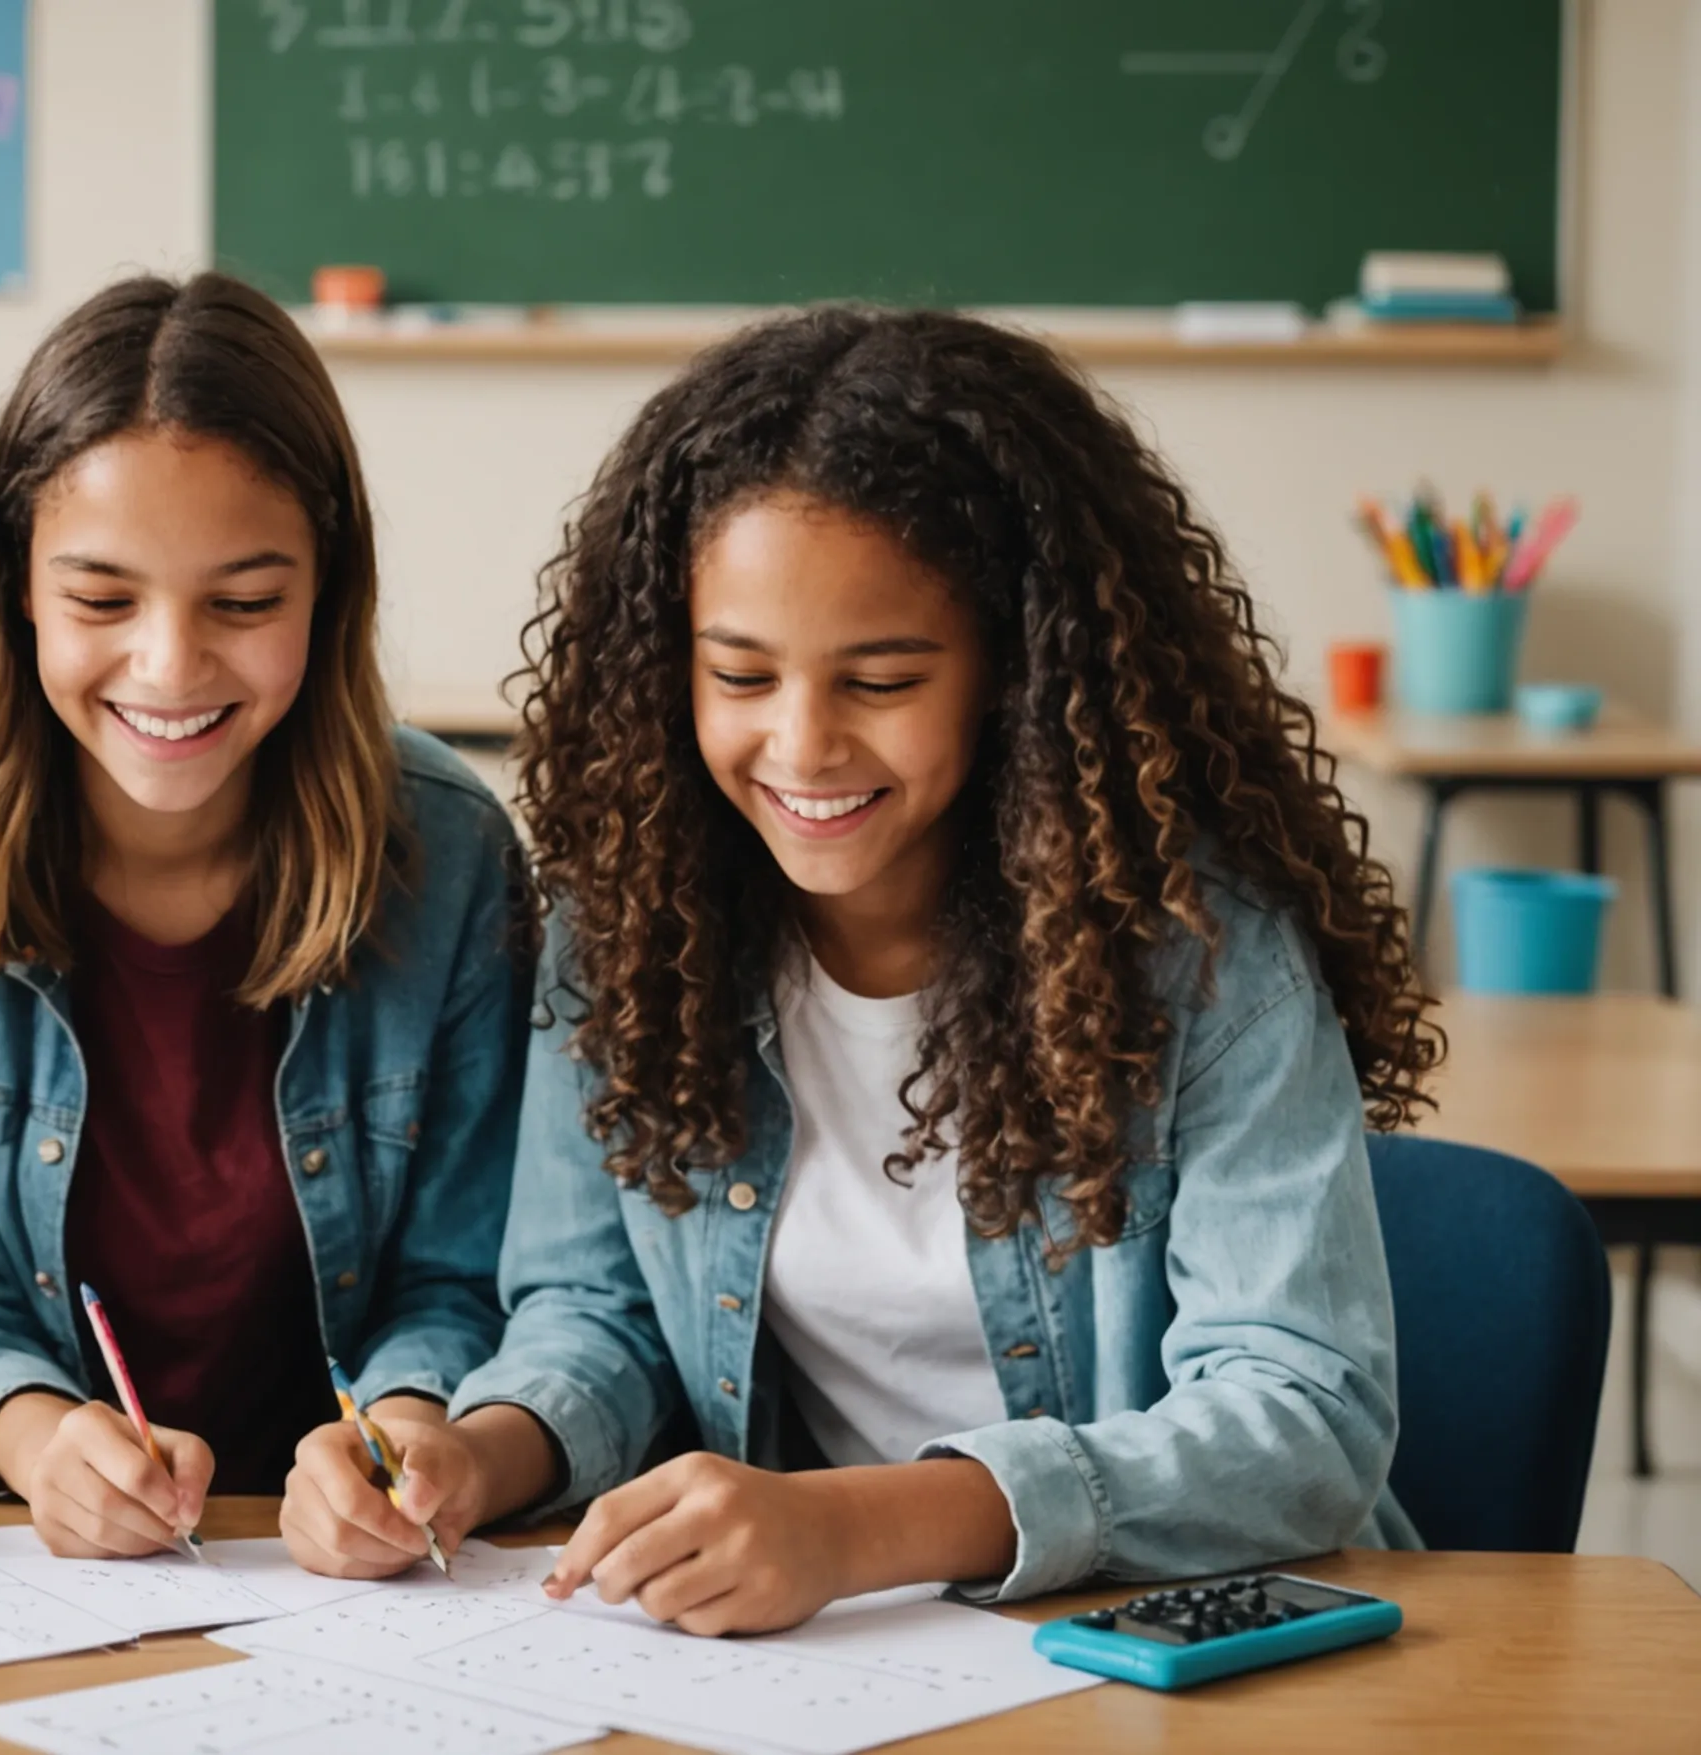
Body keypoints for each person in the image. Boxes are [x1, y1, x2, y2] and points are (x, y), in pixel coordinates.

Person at [394, 306, 1443, 1623]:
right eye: (741, 674)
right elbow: (595, 1321)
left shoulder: (1200, 954)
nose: (803, 741)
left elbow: (1301, 1420)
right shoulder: (626, 940)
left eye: (880, 680)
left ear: (1013, 674)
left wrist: (863, 1524)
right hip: (837, 1657)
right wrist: (472, 1450)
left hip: (1176, 1643)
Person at [0, 272, 529, 1563]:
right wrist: (41, 1442)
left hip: (374, 1575)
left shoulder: (452, 850)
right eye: (101, 600)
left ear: (327, 589)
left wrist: (410, 1434)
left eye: (246, 602)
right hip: (46, 1568)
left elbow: (455, 1280)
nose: (169, 664)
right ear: (15, 585)